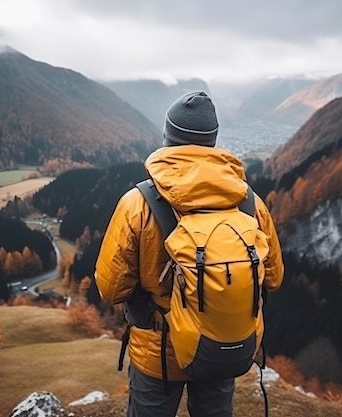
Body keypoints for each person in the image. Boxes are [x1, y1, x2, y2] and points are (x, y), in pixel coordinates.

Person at [94, 90, 284, 417]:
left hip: (157, 353)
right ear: (213, 141)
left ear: (168, 137)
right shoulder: (250, 204)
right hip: (222, 345)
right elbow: (274, 278)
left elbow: (111, 288)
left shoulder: (136, 204)